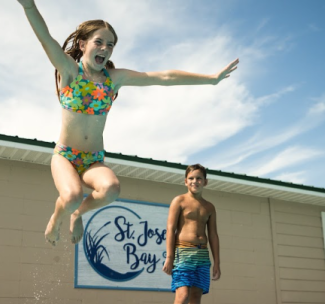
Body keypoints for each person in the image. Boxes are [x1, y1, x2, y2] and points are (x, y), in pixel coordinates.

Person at [17, 0, 239, 246]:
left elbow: (162, 77)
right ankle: (57, 218)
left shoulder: (113, 79)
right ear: (82, 45)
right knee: (70, 197)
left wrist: (211, 79)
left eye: (110, 45)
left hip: (93, 159)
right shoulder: (69, 71)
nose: (105, 48)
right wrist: (29, 6)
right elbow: (45, 38)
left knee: (111, 188)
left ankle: (79, 213)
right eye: (98, 42)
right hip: (66, 156)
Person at [162, 164, 221, 304]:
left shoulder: (209, 207)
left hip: (202, 255)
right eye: (192, 178)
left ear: (205, 181)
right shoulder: (179, 201)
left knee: (196, 299)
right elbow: (171, 229)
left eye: (199, 178)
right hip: (183, 253)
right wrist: (169, 257)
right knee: (182, 296)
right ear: (185, 181)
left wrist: (217, 261)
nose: (195, 181)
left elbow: (213, 235)